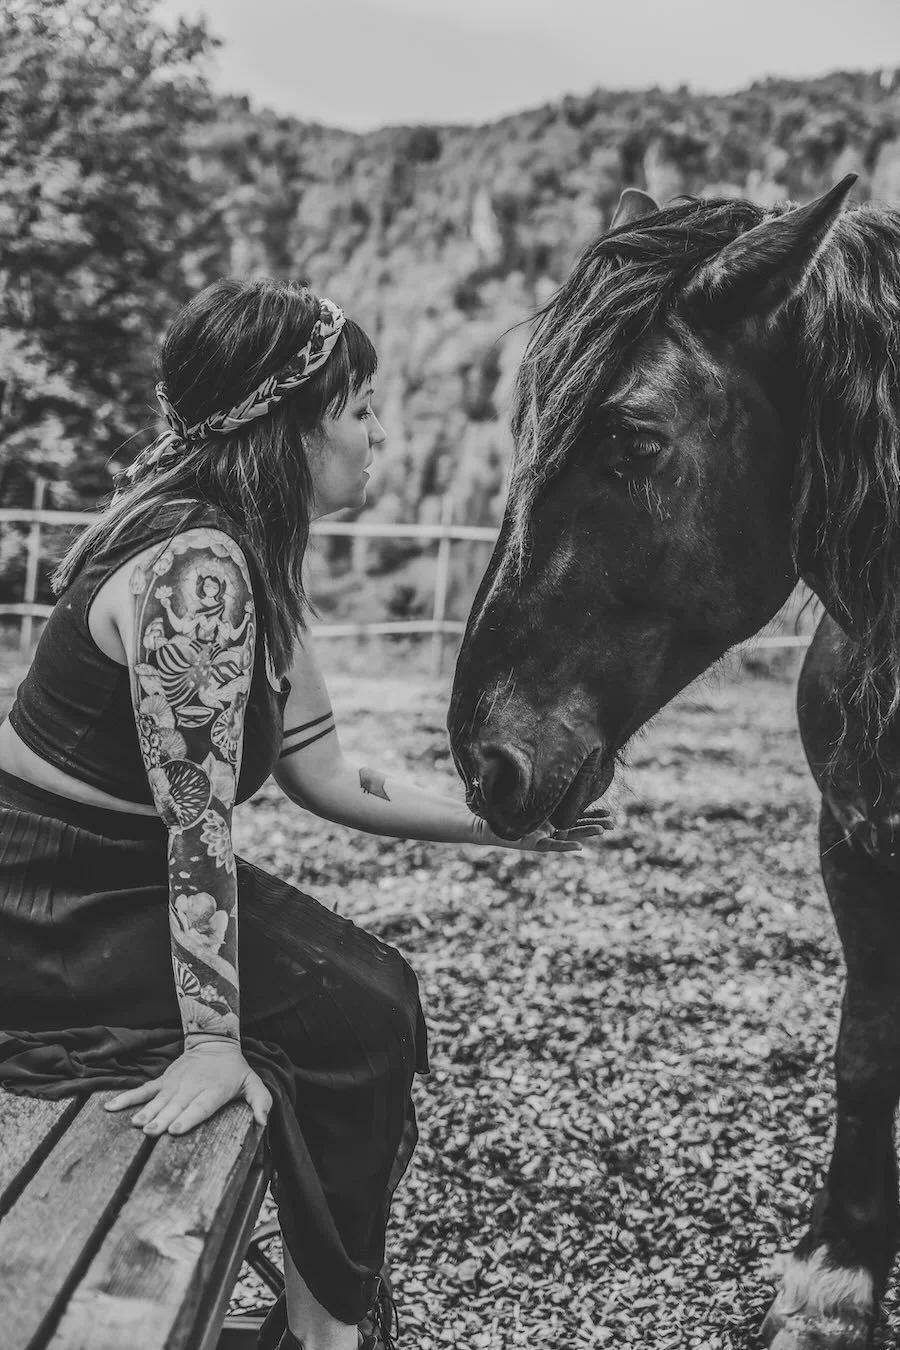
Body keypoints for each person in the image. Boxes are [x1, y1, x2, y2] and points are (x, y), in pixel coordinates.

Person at [0, 278, 609, 1350]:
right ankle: (328, 1329)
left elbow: (323, 776)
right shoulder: (196, 573)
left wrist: (503, 826)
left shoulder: (247, 550)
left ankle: (321, 1303)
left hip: (113, 875)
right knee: (357, 1017)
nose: (377, 432)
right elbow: (198, 831)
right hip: (48, 899)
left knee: (373, 990)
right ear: (286, 421)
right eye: (359, 405)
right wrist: (209, 1044)